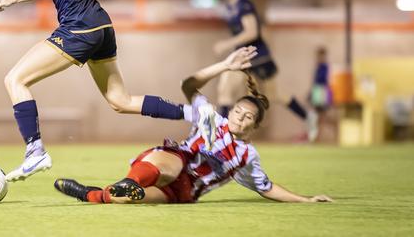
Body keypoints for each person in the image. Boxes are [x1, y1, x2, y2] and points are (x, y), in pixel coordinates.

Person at [0, 0, 201, 182]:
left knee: (15, 80)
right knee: (120, 101)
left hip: (79, 27)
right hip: (100, 26)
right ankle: (197, 114)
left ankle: (35, 151)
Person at [54, 47, 334, 204]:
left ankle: (88, 193)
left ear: (256, 125)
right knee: (176, 158)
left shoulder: (248, 156)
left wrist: (306, 199)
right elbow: (188, 84)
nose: (239, 117)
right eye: (238, 111)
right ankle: (130, 181)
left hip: (185, 192)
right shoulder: (211, 118)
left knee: (123, 200)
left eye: (248, 117)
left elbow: (266, 187)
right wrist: (224, 65)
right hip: (176, 162)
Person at [213, 0, 318, 142]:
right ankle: (221, 135)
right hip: (243, 57)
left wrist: (226, 44)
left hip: (258, 57)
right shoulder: (231, 7)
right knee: (226, 88)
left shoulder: (244, 6)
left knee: (273, 94)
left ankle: (307, 116)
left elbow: (252, 32)